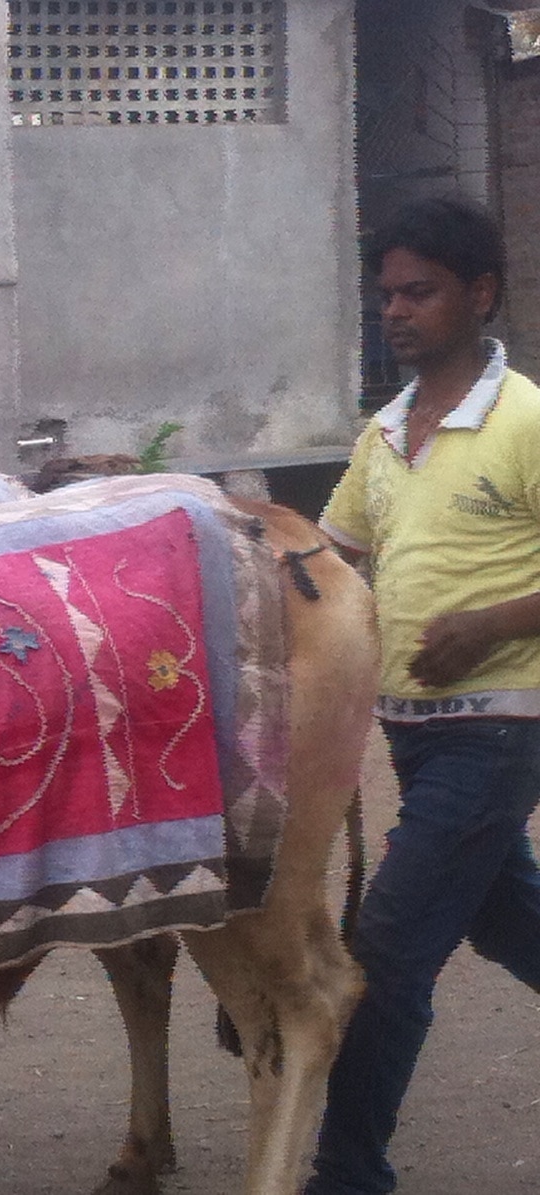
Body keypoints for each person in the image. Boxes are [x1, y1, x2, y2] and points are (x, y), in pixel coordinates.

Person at [305, 195, 540, 1193]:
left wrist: (489, 623)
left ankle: (346, 1175)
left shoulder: (525, 418)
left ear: (478, 296)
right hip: (408, 735)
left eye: (420, 292)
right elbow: (328, 560)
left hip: (499, 725)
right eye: (386, 293)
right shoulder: (385, 432)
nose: (395, 310)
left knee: (388, 951)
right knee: (499, 917)